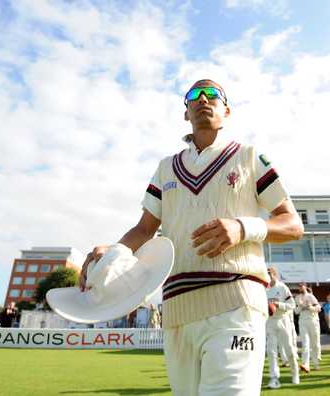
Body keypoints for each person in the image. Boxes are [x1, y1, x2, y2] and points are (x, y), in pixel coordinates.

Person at [81, 79, 304, 395]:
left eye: (213, 94)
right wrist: (113, 252)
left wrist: (243, 228)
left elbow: (293, 224)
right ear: (186, 112)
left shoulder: (249, 156)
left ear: (226, 111)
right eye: (193, 95)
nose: (203, 99)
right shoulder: (166, 168)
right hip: (177, 310)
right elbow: (144, 230)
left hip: (236, 301)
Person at [265, 267, 300, 388]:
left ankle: (295, 374)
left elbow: (292, 305)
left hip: (283, 320)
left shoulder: (282, 287)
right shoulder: (263, 289)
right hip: (269, 322)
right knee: (271, 351)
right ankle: (274, 377)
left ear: (274, 274)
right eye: (266, 273)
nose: (267, 275)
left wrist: (278, 304)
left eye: (269, 273)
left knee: (289, 349)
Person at [296, 282, 321, 372]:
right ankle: (305, 364)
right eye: (298, 287)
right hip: (302, 321)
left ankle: (316, 363)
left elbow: (318, 307)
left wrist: (310, 307)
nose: (300, 288)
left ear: (305, 287)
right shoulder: (297, 297)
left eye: (301, 286)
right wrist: (300, 306)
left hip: (313, 321)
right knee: (305, 344)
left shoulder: (310, 296)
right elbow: (296, 311)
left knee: (315, 343)